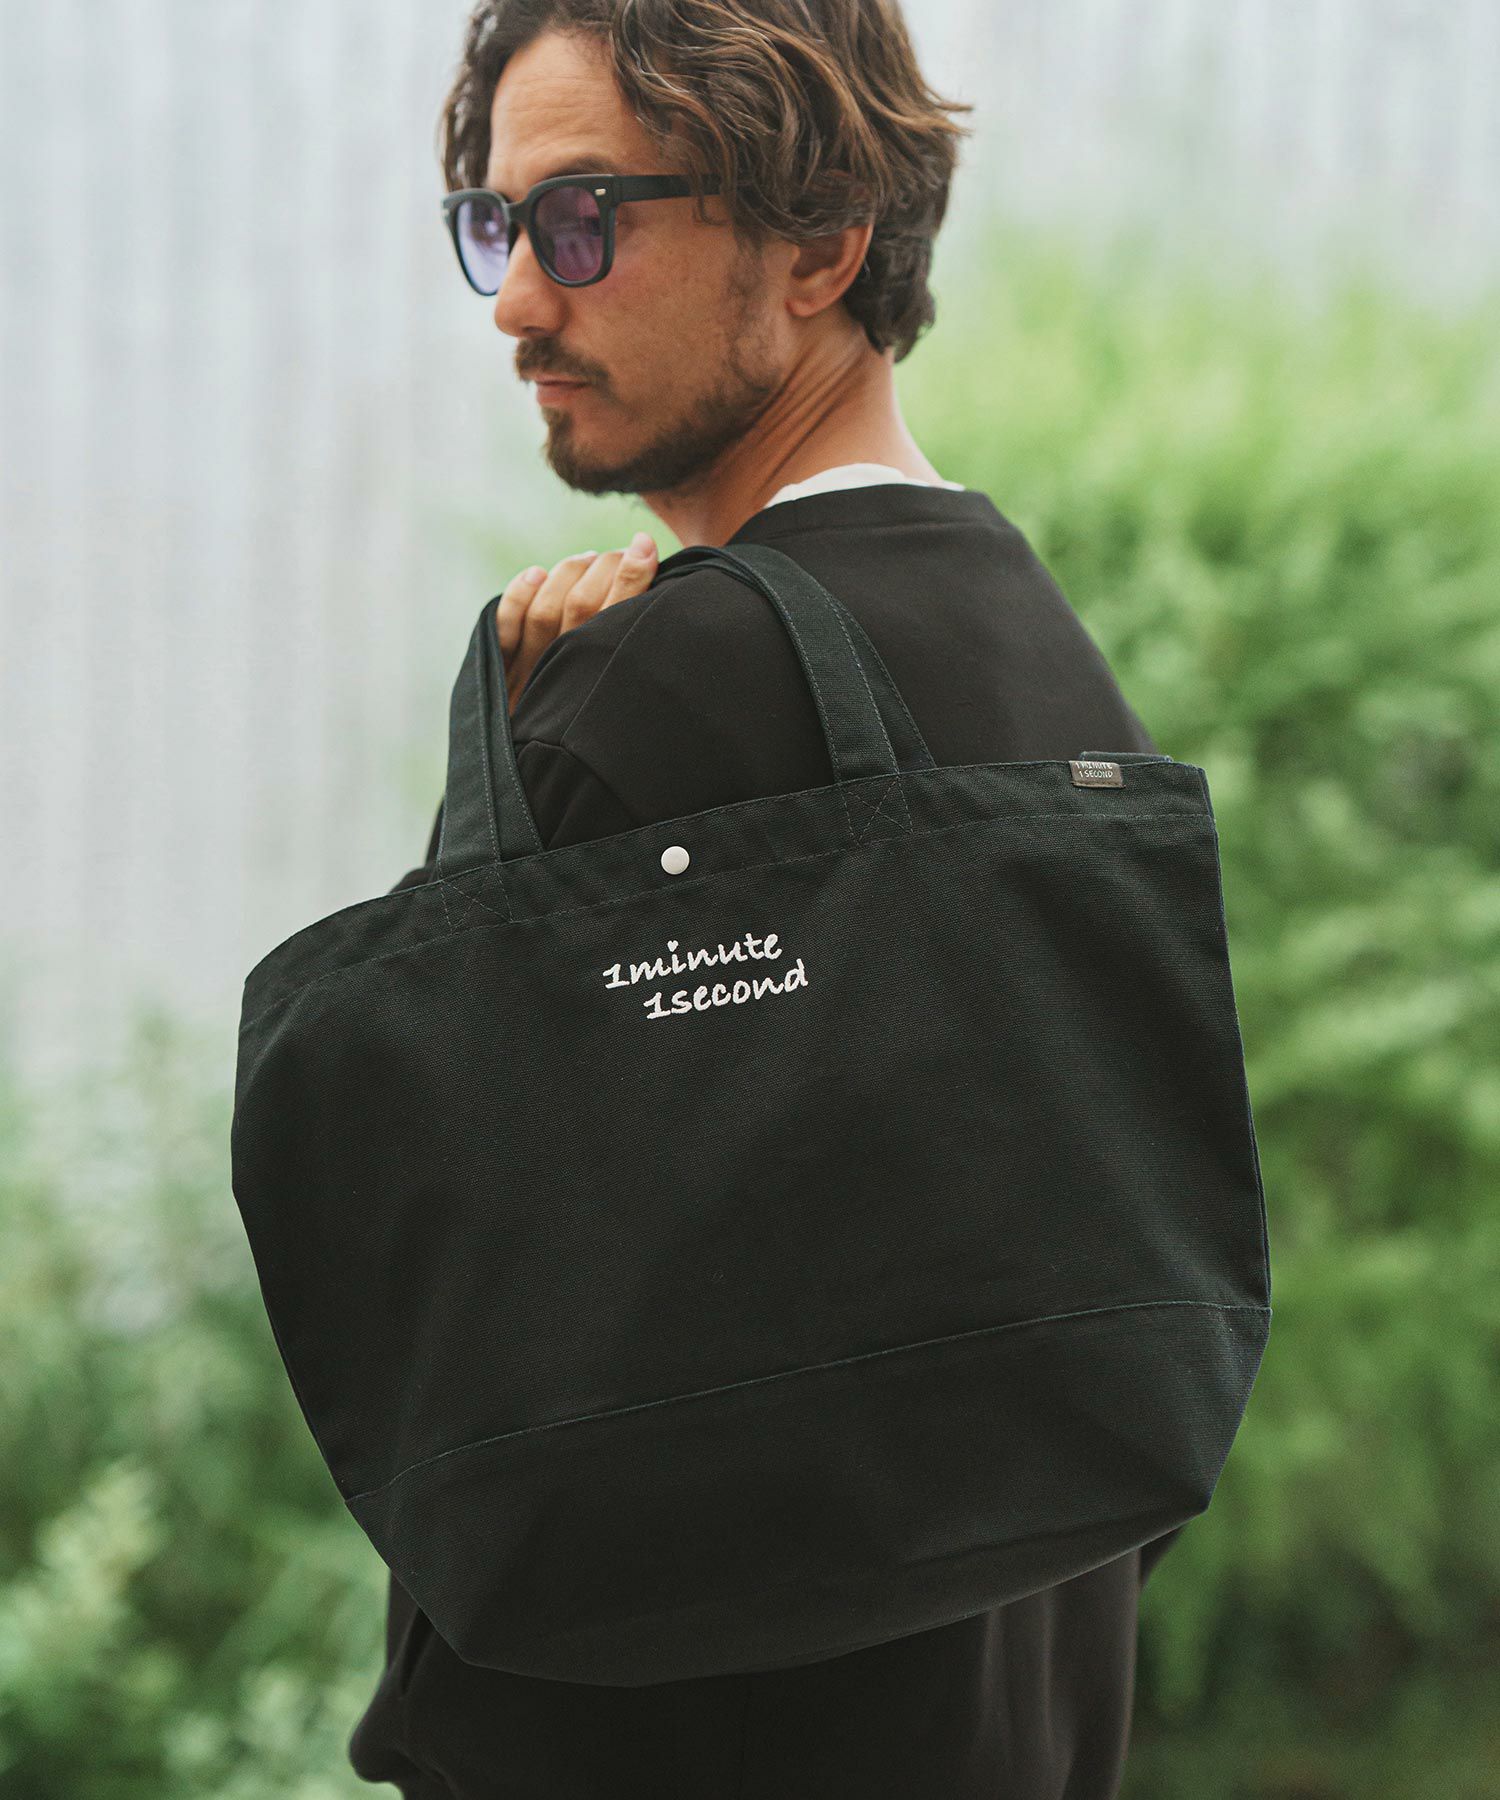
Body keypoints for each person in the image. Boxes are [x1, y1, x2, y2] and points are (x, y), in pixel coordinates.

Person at [348, 3, 1183, 1794]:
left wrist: (519, 776)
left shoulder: (659, 696)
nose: (516, 303)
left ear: (820, 244)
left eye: (586, 219)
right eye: (497, 225)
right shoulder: (1052, 672)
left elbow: (441, 1327)